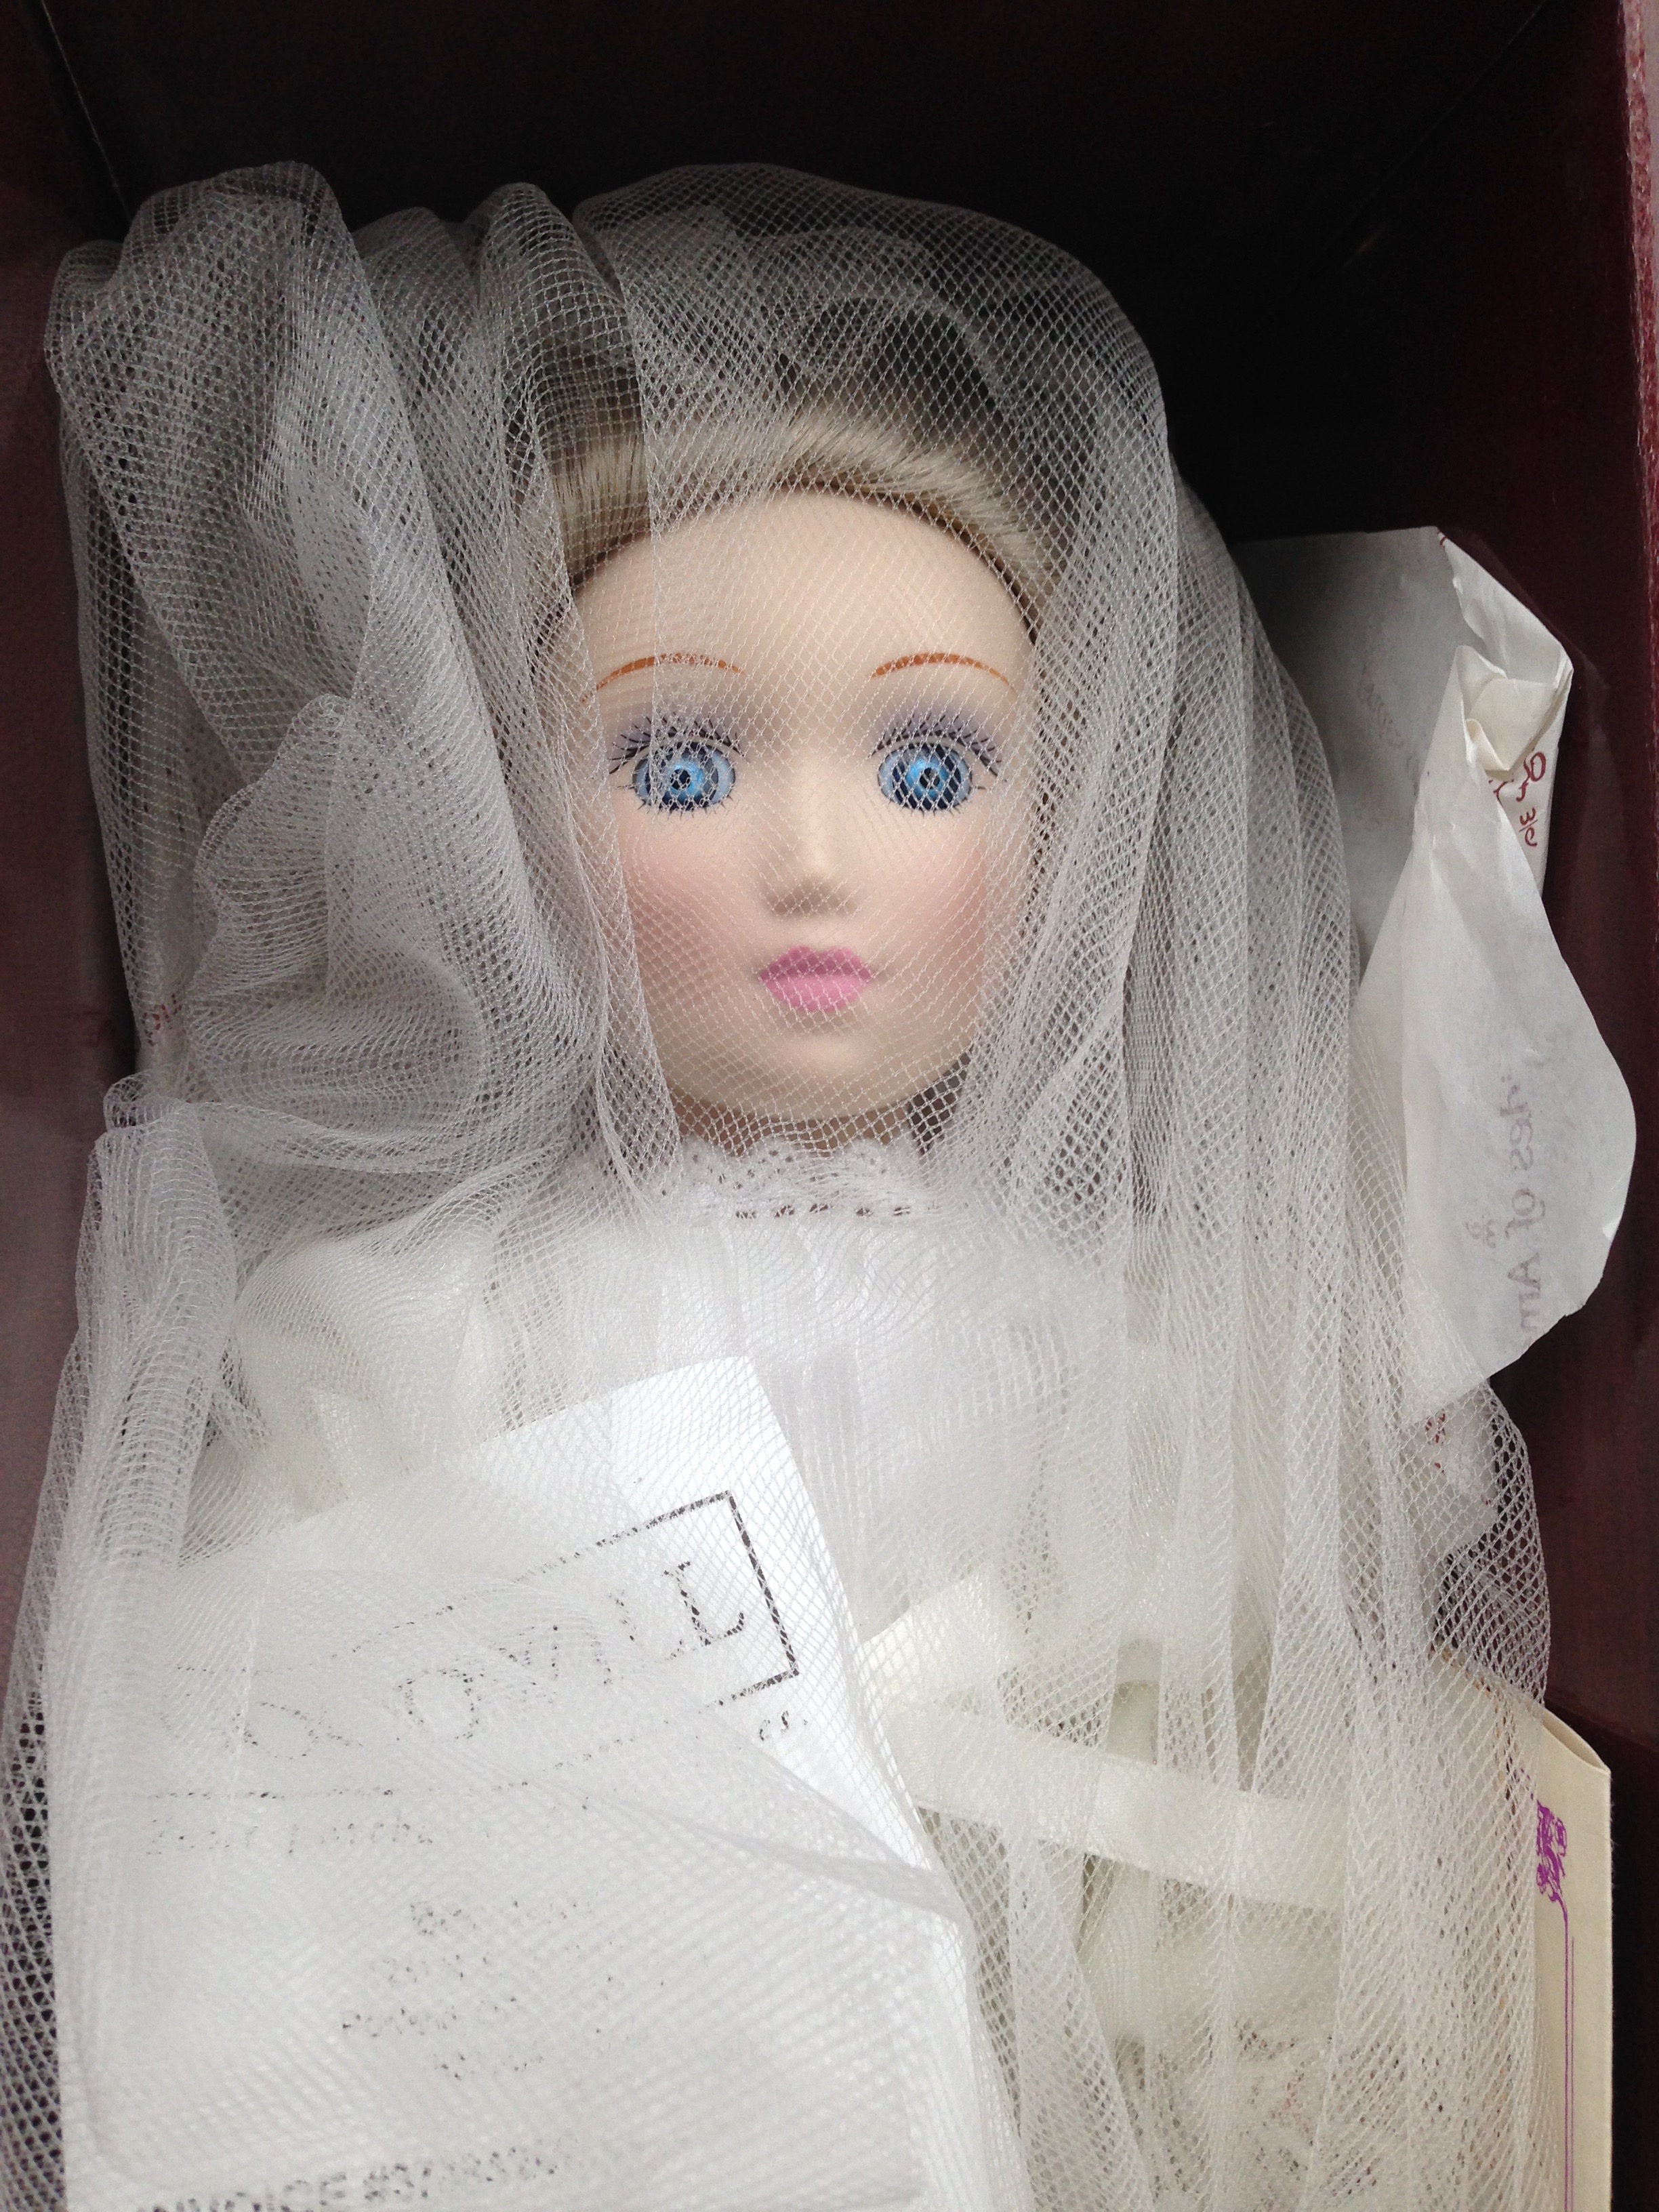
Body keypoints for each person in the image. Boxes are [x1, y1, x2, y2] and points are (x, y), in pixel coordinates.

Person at [2, 162, 1553, 2211]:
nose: (813, 865)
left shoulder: (1113, 1322)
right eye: (680, 766)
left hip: (1028, 2002)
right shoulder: (447, 1306)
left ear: (1081, 834)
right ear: (500, 821)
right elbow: (280, 1690)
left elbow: (1242, 1632)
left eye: (927, 770)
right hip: (588, 2033)